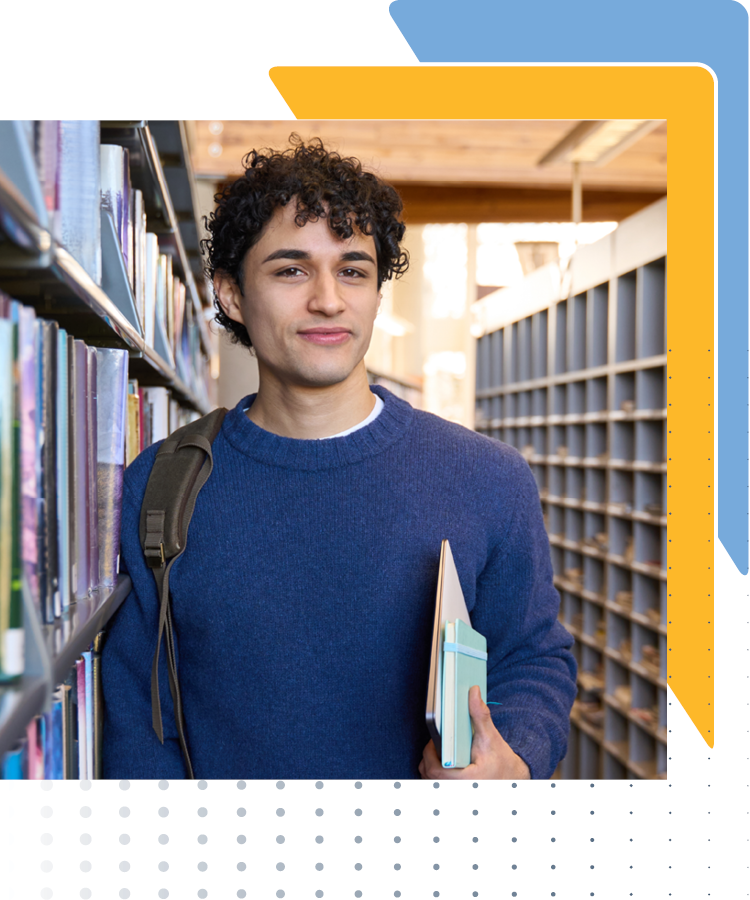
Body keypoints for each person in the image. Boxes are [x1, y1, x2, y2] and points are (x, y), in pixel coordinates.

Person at [102, 136, 577, 780]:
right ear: (232, 295)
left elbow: (533, 657)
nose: (328, 299)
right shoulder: (159, 485)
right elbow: (137, 713)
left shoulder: (487, 478)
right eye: (291, 269)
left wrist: (515, 758)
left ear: (377, 292)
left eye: (353, 270)